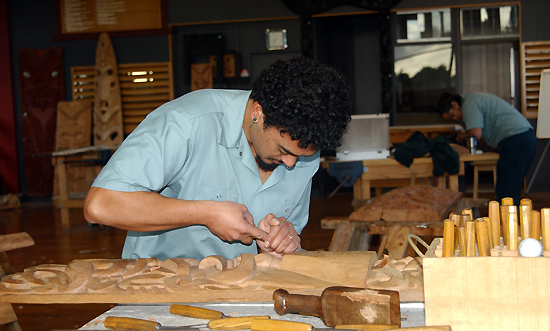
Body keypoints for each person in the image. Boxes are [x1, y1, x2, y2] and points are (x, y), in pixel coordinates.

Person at [83, 57, 352, 260]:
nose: (292, 164)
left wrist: (284, 239)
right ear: (259, 112)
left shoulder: (302, 152)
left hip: (243, 293)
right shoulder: (187, 122)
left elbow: (286, 238)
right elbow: (101, 205)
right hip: (158, 288)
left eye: (302, 156)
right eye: (284, 150)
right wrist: (205, 213)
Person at [436, 92, 537, 206]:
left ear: (454, 104)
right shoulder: (473, 100)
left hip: (517, 140)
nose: (455, 118)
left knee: (507, 190)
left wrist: (460, 137)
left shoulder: (469, 104)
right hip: (521, 138)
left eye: (452, 115)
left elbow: (475, 134)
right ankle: (508, 219)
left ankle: (507, 221)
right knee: (508, 187)